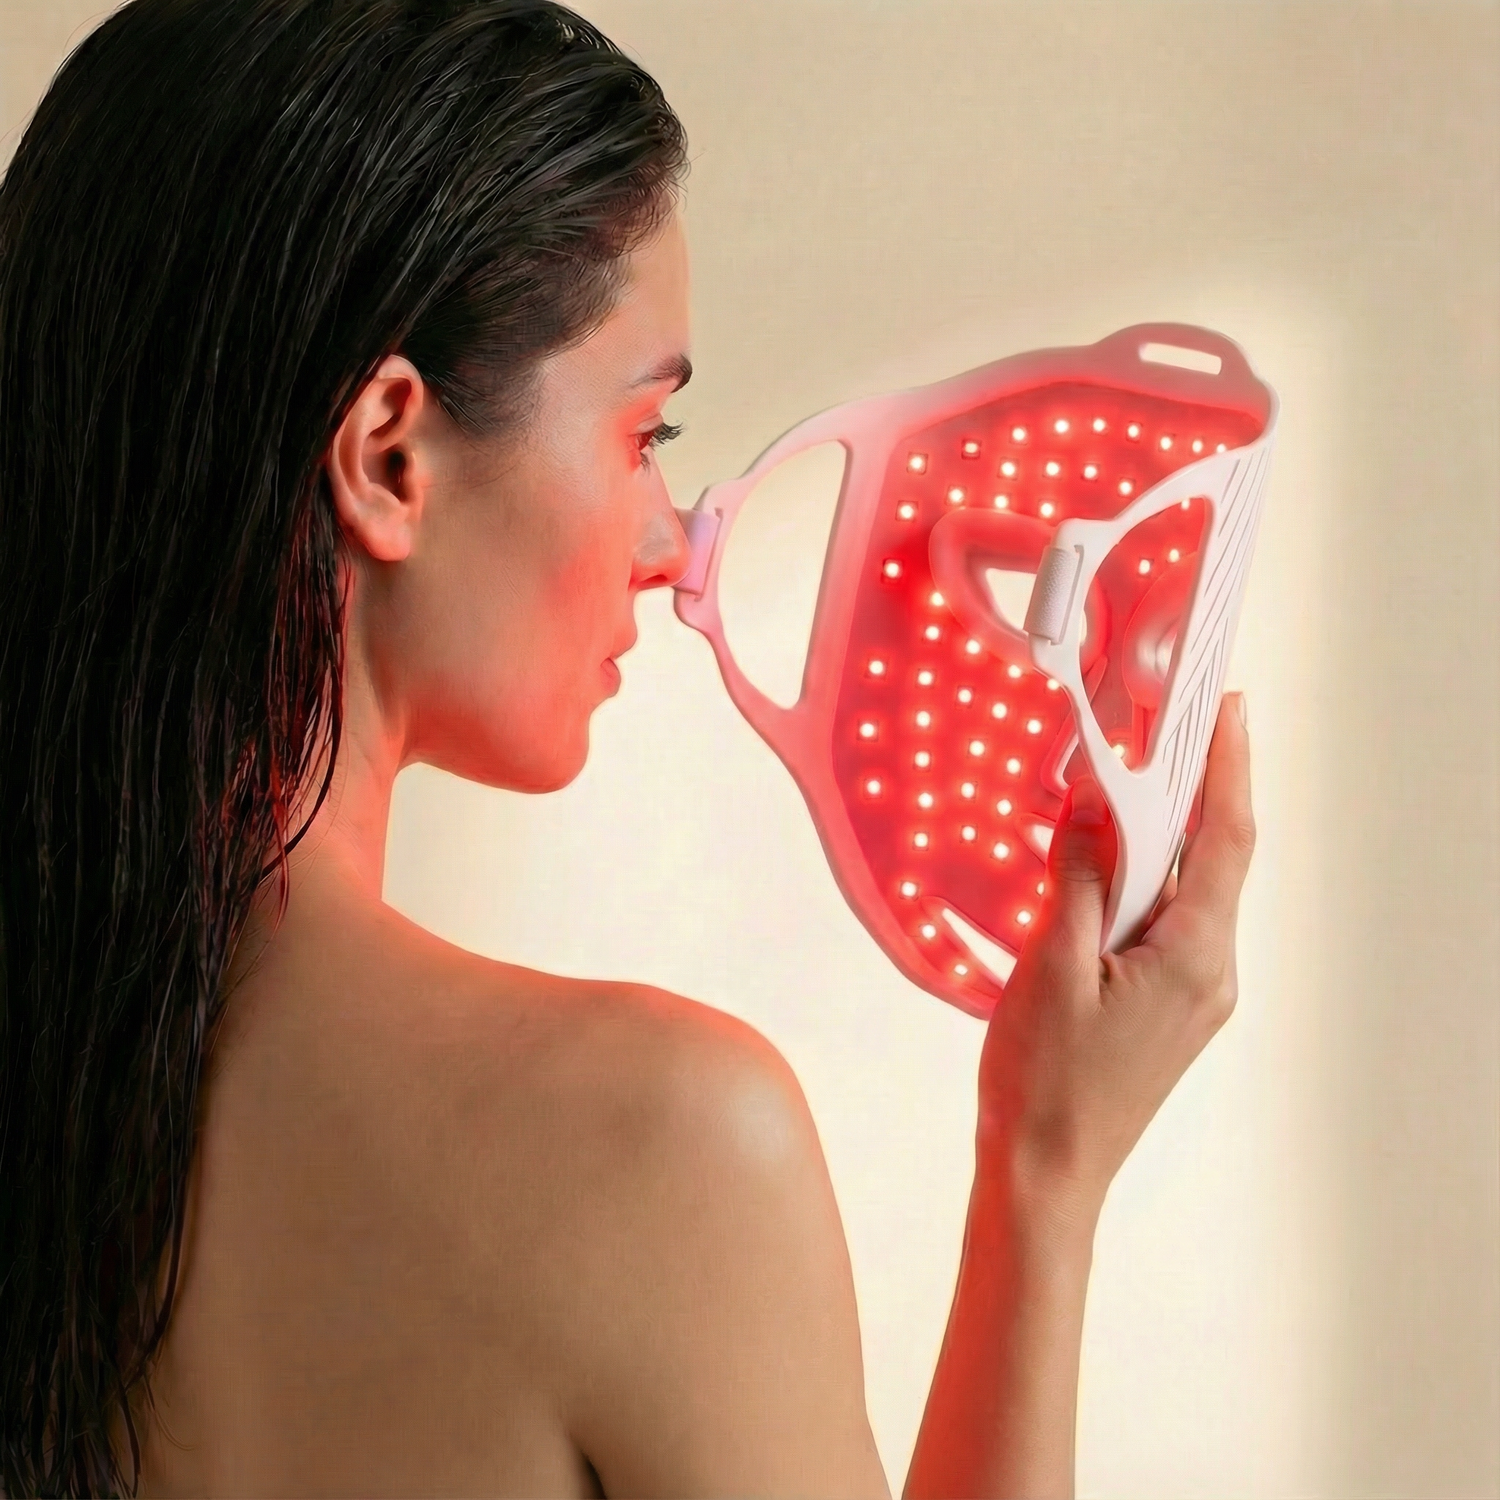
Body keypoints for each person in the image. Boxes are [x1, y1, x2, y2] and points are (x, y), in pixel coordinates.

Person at [0, 1, 1257, 1495]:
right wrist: (1045, 1182)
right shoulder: (653, 1146)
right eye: (645, 429)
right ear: (389, 452)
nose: (668, 542)